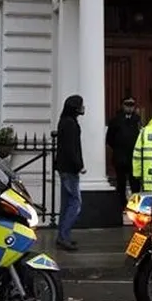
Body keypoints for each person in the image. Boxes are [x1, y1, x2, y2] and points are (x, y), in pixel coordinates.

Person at [54, 94, 85, 251]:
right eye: (81, 105)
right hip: (70, 169)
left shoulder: (64, 122)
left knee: (66, 204)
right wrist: (79, 165)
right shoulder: (71, 124)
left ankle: (62, 236)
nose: (83, 107)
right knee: (75, 203)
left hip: (63, 167)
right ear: (75, 107)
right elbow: (71, 148)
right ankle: (64, 236)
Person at [105, 96, 142, 212]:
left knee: (134, 183)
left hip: (133, 158)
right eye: (127, 105)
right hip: (120, 157)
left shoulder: (137, 120)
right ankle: (121, 205)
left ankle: (135, 206)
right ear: (122, 105)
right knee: (120, 183)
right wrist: (118, 148)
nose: (130, 107)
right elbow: (109, 138)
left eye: (132, 105)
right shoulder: (116, 120)